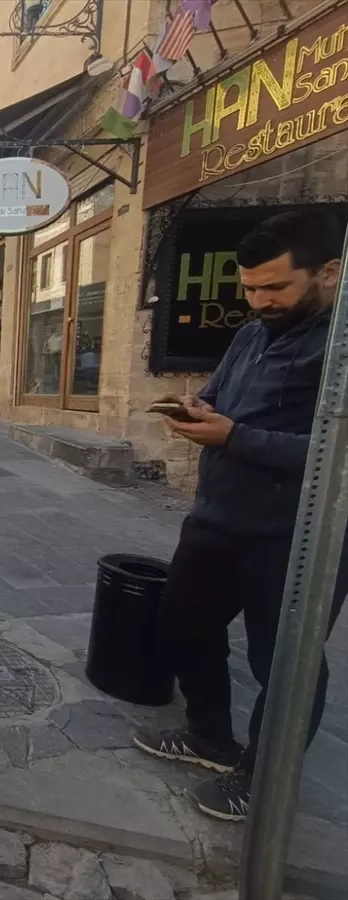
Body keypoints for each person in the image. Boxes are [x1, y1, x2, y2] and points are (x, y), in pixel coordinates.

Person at [133, 210, 347, 822]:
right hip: (217, 518)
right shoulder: (252, 333)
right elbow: (223, 398)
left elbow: (338, 455)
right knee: (180, 623)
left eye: (275, 287)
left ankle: (265, 779)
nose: (260, 301)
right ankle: (209, 737)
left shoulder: (340, 344)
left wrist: (233, 437)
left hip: (296, 534)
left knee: (283, 660)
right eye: (250, 288)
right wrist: (199, 408)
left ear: (329, 271)